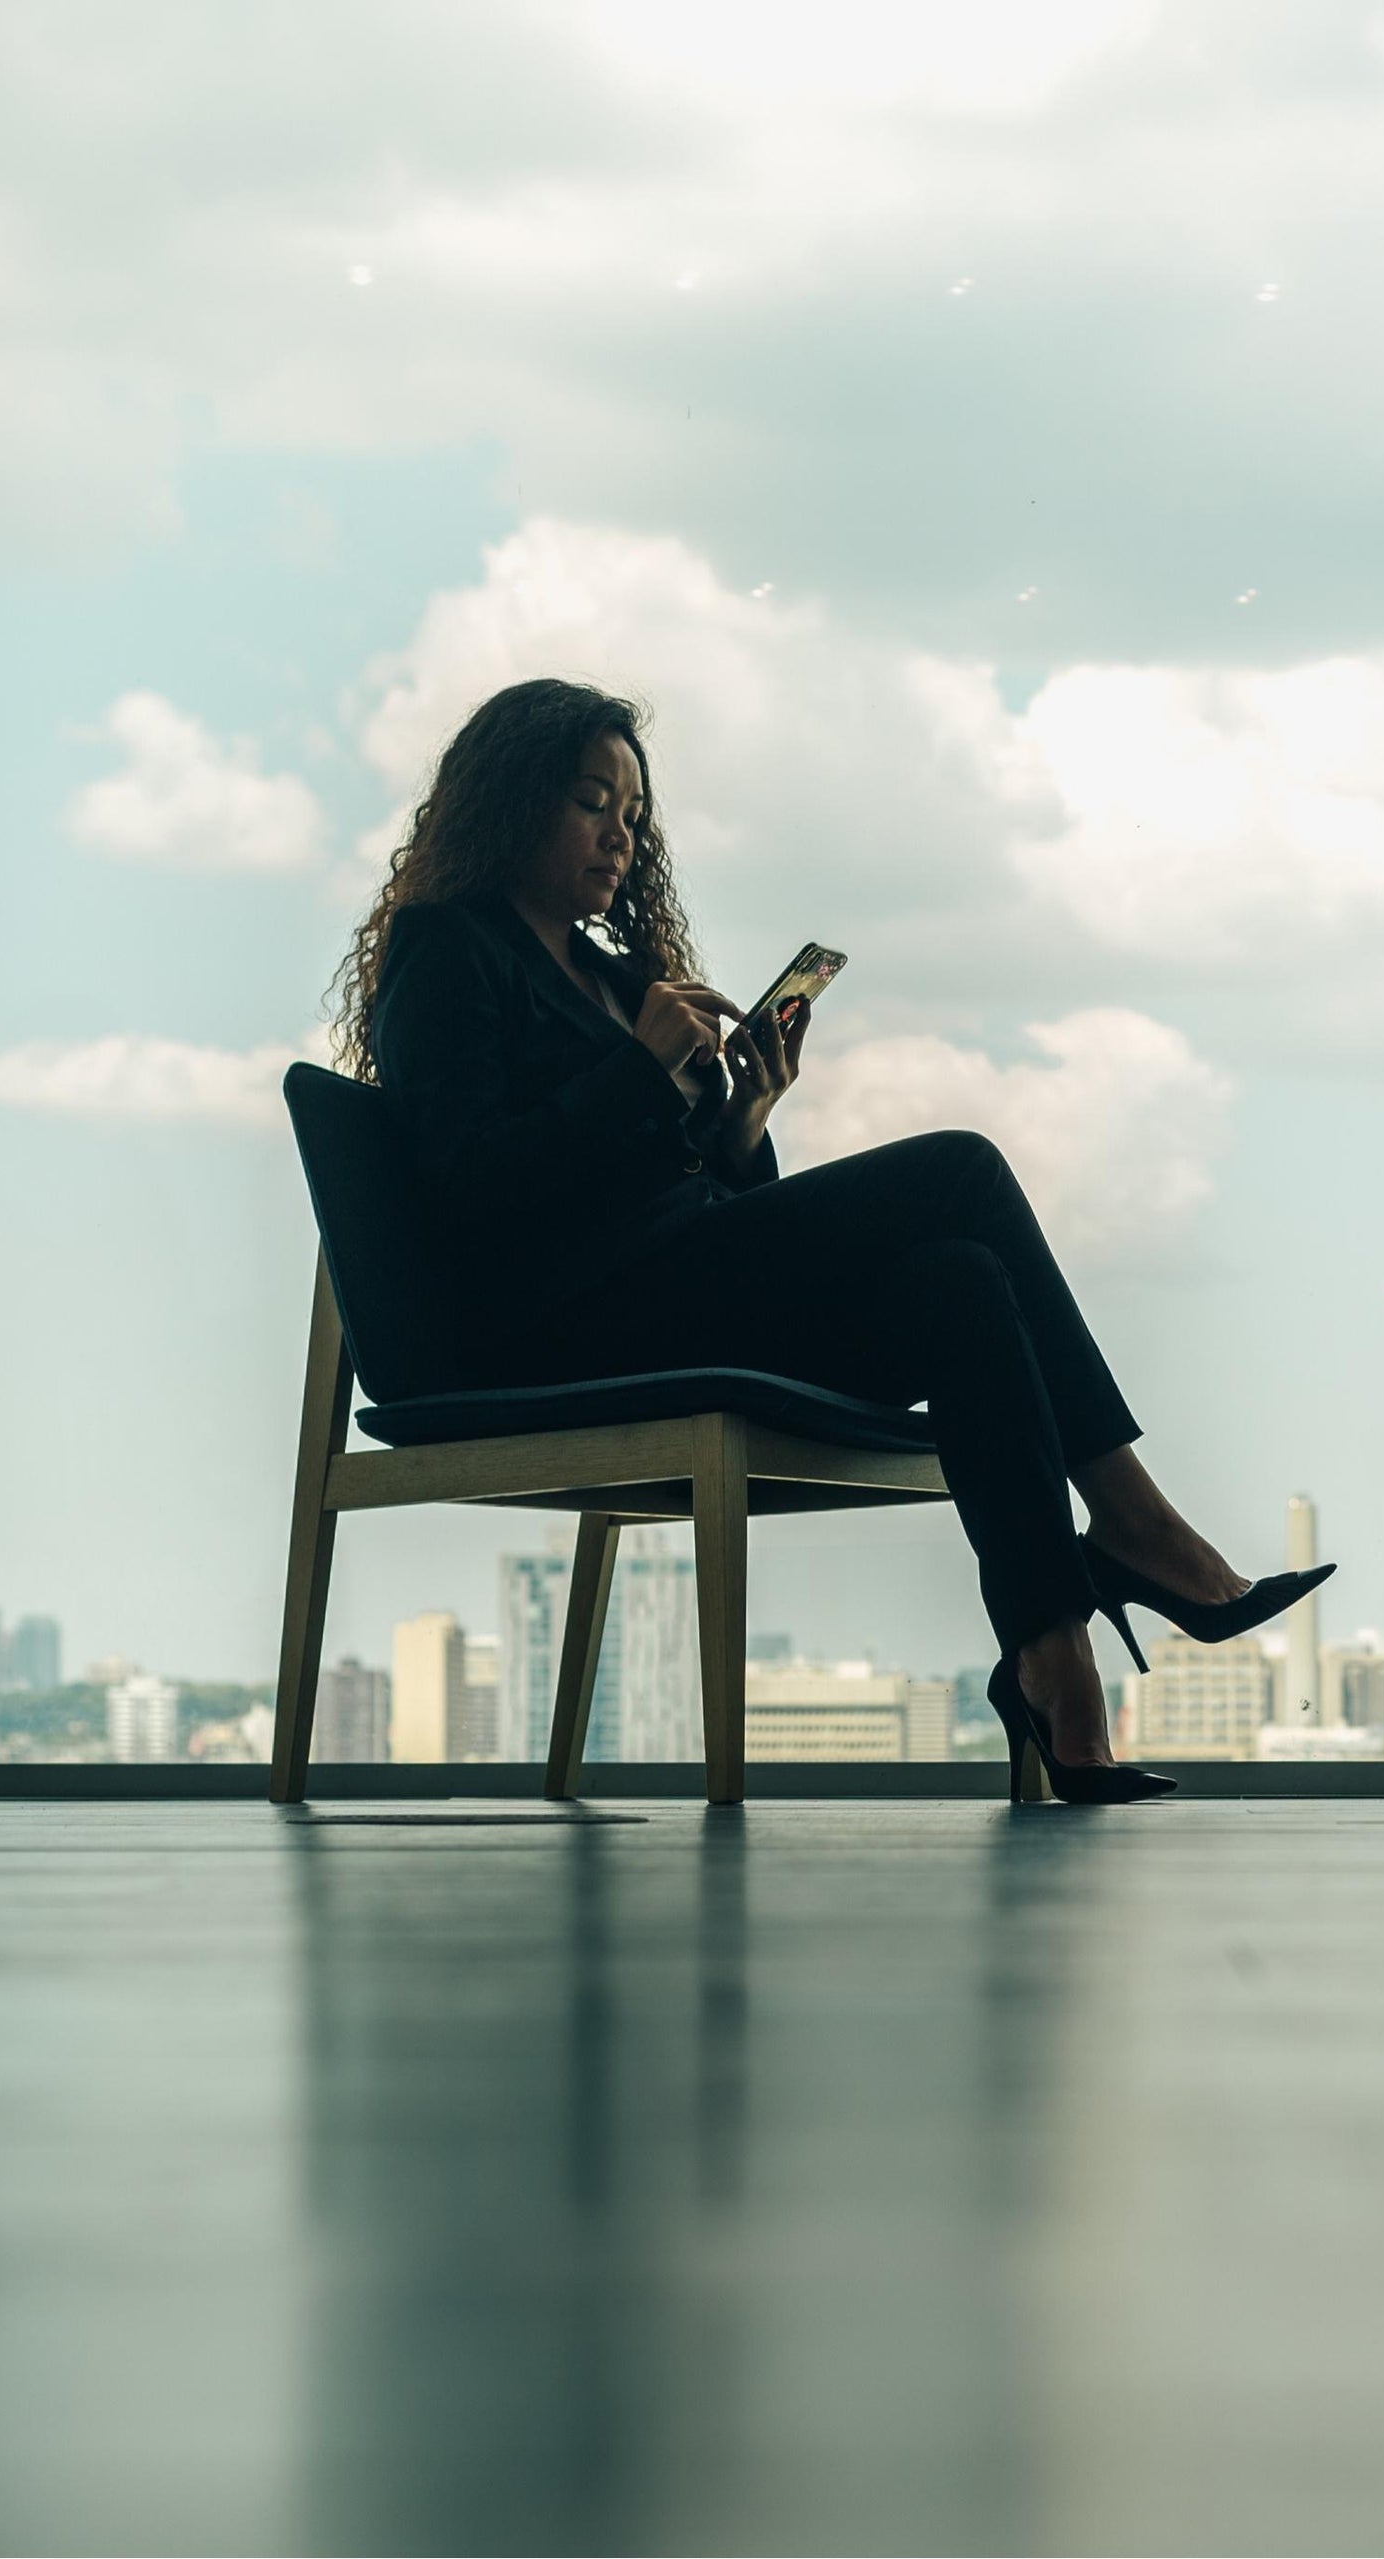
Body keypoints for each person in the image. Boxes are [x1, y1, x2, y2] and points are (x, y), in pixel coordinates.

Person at [327, 676, 1329, 1801]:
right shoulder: (446, 952)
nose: (619, 834)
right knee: (960, 1169)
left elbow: (679, 1179)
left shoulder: (613, 978)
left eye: (633, 815)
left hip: (667, 1290)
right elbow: (471, 1198)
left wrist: (742, 1121)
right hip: (557, 1325)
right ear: (511, 803)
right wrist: (636, 1071)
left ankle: (1053, 1669)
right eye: (590, 803)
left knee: (961, 1279)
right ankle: (1137, 1525)